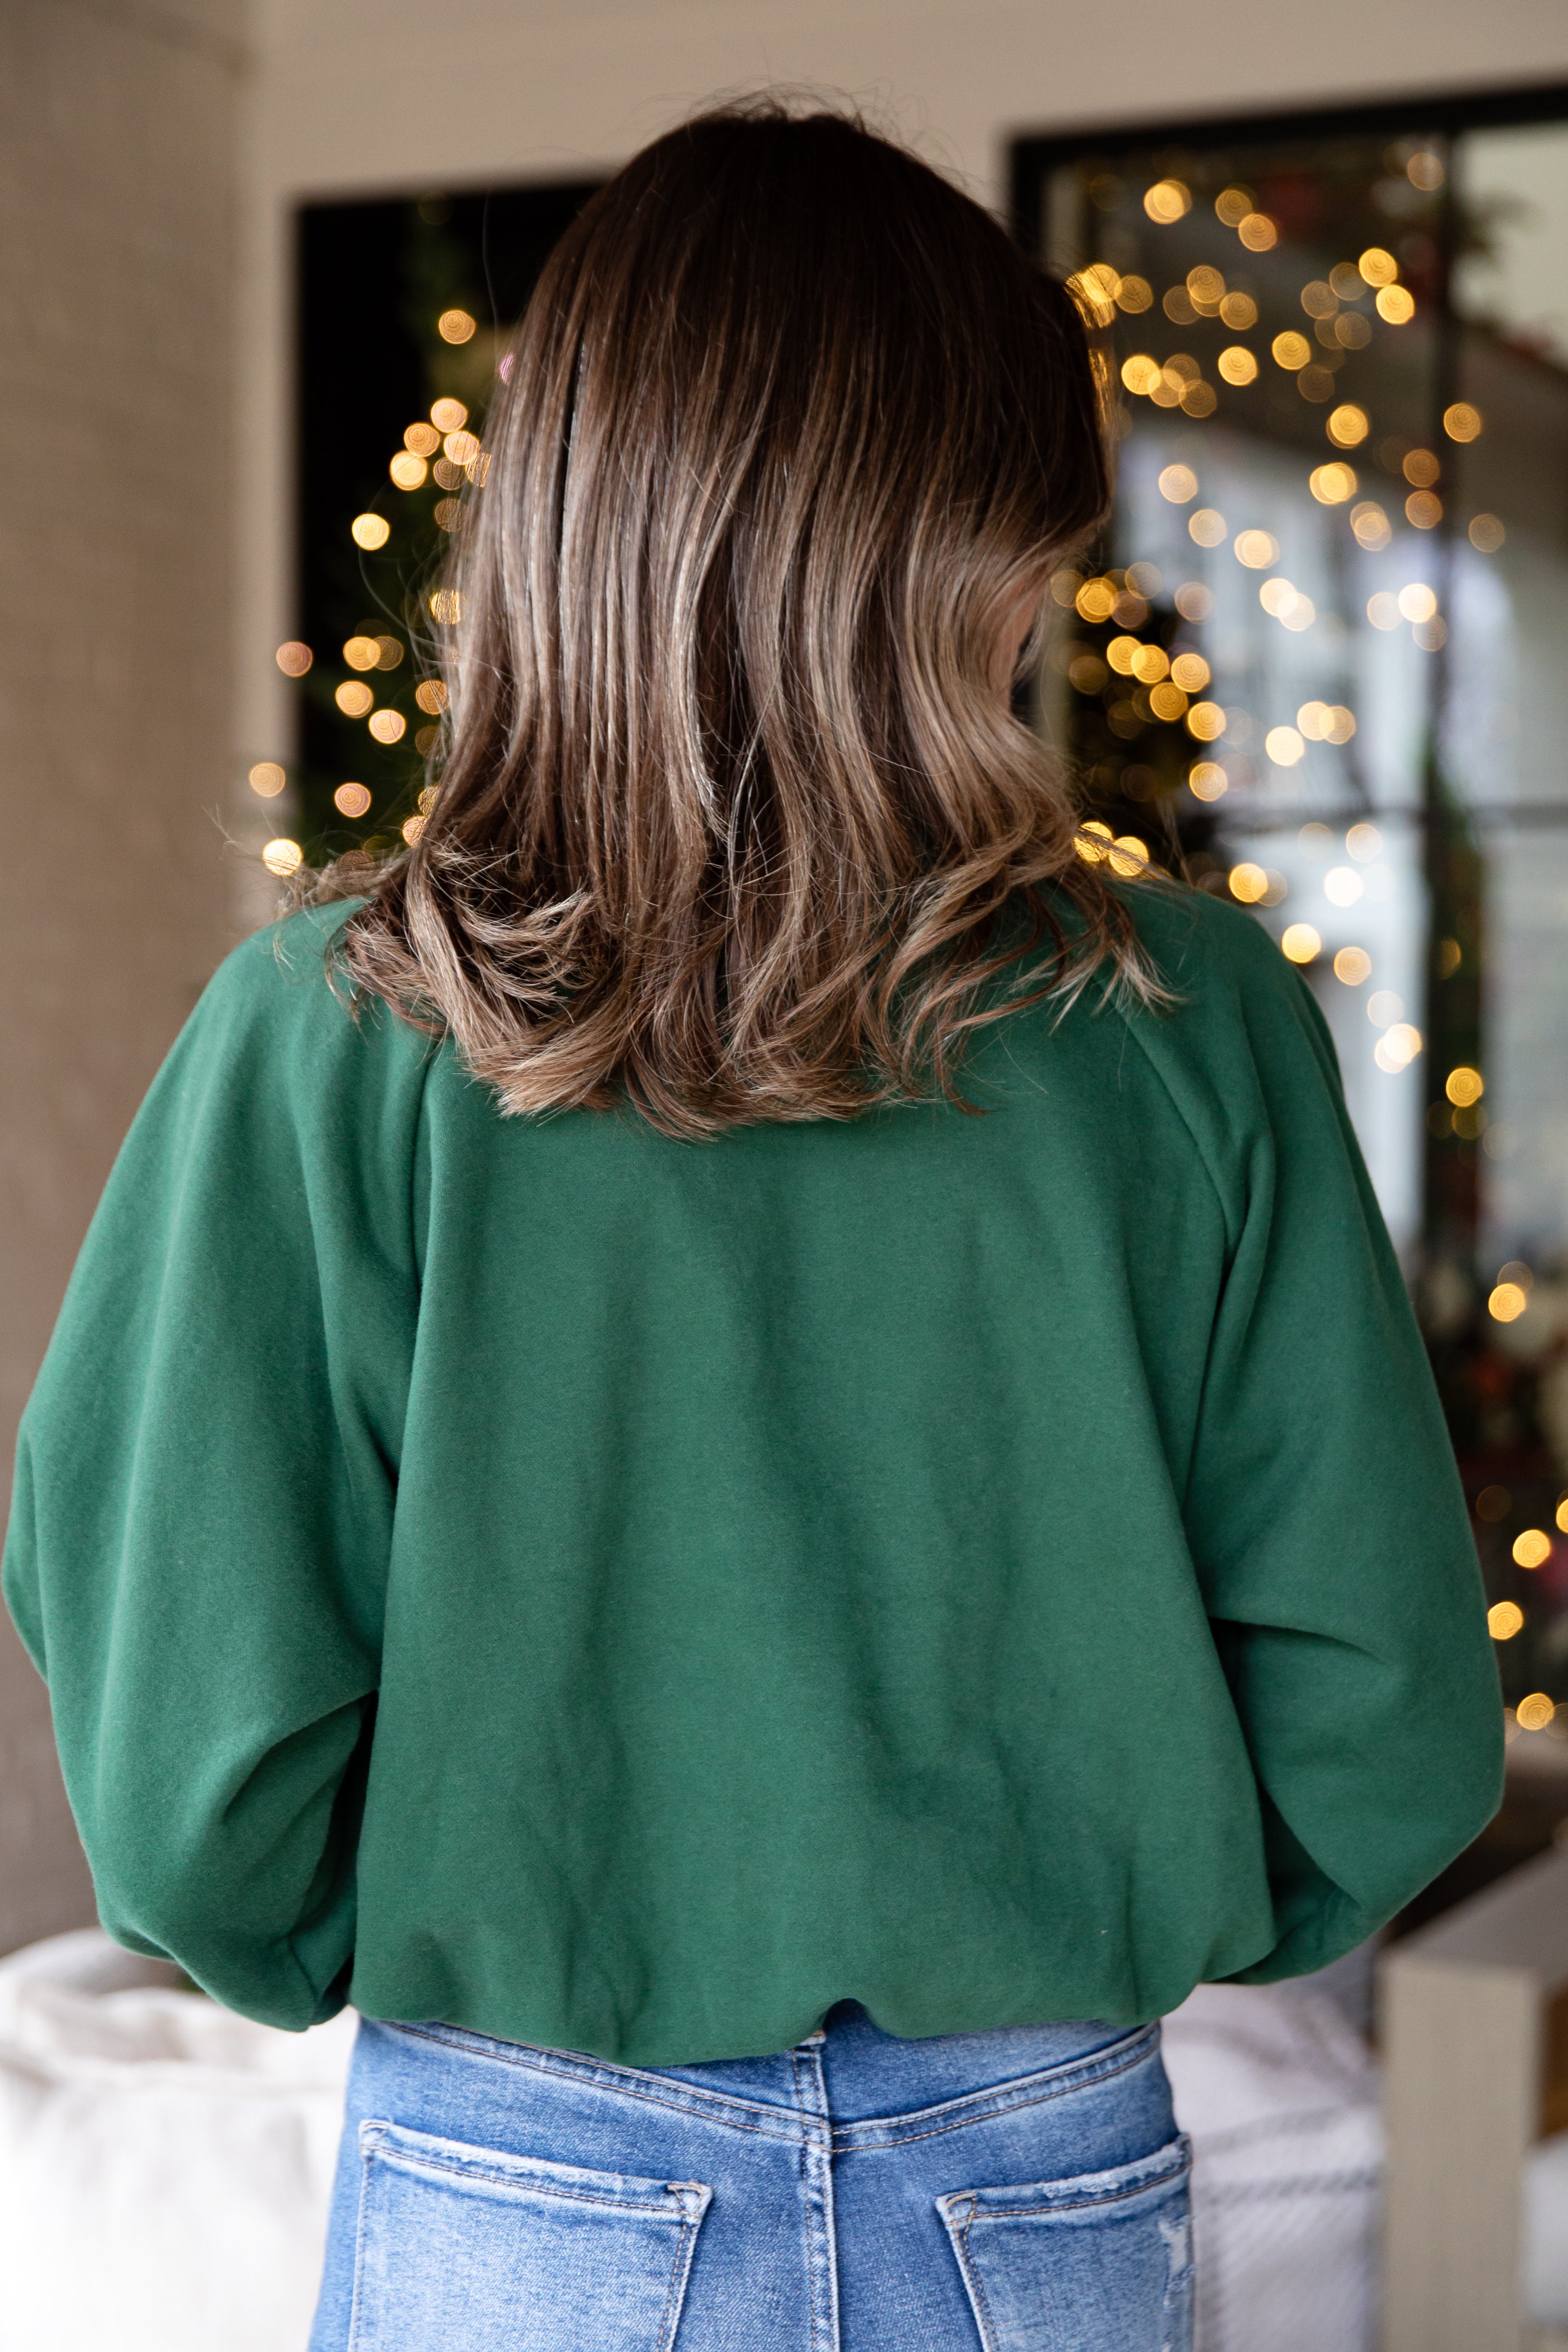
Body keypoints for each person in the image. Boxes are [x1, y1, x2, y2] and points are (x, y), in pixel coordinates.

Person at [4, 100, 1500, 2352]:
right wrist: (1096, 1921)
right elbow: (1385, 1716)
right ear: (971, 548)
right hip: (1042, 2173)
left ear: (567, 516)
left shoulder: (332, 1034)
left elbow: (184, 1754)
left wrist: (425, 1931)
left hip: (516, 2166)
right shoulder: (1188, 1027)